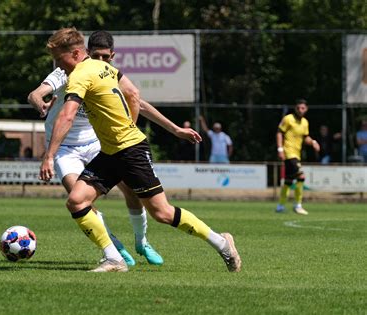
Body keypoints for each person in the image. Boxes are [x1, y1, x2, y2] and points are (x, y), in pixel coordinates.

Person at [40, 27, 241, 273]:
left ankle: (222, 243)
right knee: (77, 201)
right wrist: (175, 129)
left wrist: (49, 156)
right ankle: (114, 259)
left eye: (60, 59)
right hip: (111, 151)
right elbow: (134, 95)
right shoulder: (107, 68)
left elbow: (67, 115)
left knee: (163, 213)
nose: (59, 66)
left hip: (130, 151)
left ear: (74, 53)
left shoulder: (80, 74)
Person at [275, 99, 320, 215]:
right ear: (295, 108)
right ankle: (298, 205)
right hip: (289, 153)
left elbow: (306, 138)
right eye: (299, 108)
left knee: (288, 181)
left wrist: (314, 142)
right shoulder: (288, 119)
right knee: (301, 177)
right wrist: (280, 148)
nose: (300, 110)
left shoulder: (305, 122)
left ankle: (280, 206)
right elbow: (279, 133)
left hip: (297, 154)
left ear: (306, 109)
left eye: (303, 108)